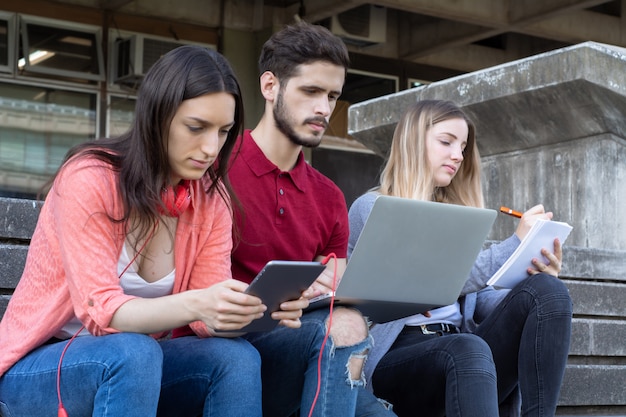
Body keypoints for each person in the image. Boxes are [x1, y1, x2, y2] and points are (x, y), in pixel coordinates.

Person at [0, 46, 267, 417]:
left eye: (223, 132)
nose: (210, 148)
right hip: (37, 372)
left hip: (134, 370)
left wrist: (256, 309)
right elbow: (100, 312)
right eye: (196, 127)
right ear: (158, 116)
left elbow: (204, 321)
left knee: (234, 357)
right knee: (133, 351)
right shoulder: (90, 178)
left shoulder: (209, 199)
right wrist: (197, 303)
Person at [350, 99, 573, 417]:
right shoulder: (372, 208)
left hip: (467, 351)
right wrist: (511, 245)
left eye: (463, 146)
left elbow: (483, 303)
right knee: (468, 348)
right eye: (446, 142)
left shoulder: (458, 217)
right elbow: (426, 283)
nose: (458, 155)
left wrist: (531, 271)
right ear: (414, 142)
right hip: (399, 359)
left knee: (548, 292)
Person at [227, 20, 389, 417]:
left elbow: (335, 283)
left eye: (332, 95)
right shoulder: (216, 170)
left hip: (307, 345)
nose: (323, 108)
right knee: (344, 329)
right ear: (270, 87)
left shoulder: (329, 196)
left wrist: (325, 287)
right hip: (227, 350)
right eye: (311, 91)